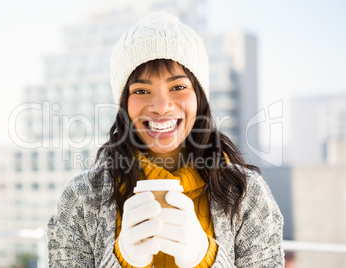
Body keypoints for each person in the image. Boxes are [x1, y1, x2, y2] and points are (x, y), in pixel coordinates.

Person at [47, 11, 284, 268]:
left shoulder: (246, 194)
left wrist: (206, 258)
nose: (161, 107)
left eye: (178, 87)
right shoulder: (81, 198)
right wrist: (119, 260)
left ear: (200, 97)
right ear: (124, 105)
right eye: (141, 90)